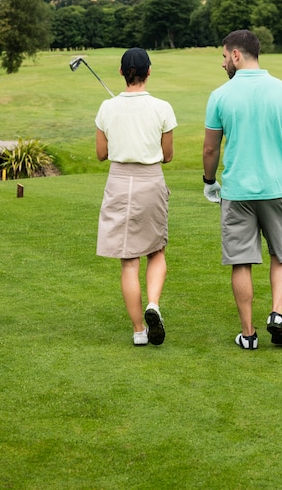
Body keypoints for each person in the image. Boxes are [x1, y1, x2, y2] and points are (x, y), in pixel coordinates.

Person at [202, 29, 282, 350]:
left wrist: (210, 182)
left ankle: (249, 334)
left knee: (241, 262)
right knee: (281, 255)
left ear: (237, 55)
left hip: (238, 191)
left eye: (225, 56)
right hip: (278, 188)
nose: (224, 63)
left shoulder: (220, 96)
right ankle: (277, 314)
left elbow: (210, 150)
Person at [95, 47, 177, 346]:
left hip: (118, 181)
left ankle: (139, 331)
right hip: (150, 181)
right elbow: (167, 156)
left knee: (129, 261)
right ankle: (153, 304)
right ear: (149, 71)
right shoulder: (162, 107)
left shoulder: (107, 108)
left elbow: (101, 155)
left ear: (121, 72)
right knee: (156, 250)